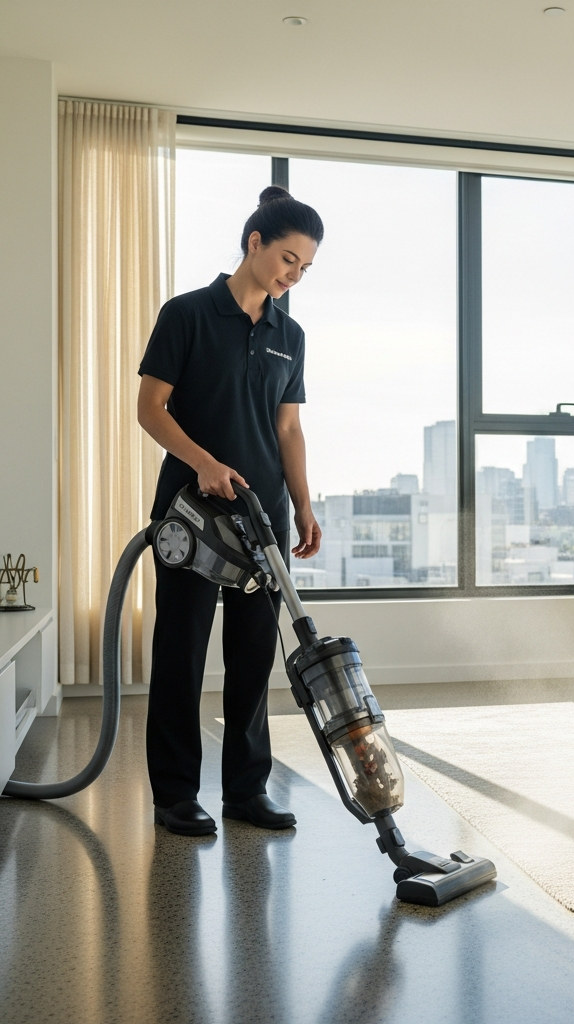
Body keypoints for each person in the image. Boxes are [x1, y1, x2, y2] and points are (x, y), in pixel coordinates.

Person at [137, 185, 324, 836]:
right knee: (182, 650)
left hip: (261, 515)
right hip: (191, 511)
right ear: (255, 244)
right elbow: (150, 409)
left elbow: (289, 430)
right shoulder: (187, 314)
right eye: (288, 259)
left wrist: (302, 505)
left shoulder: (288, 334)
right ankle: (175, 795)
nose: (294, 274)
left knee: (252, 655)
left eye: (304, 268)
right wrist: (204, 463)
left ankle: (247, 791)